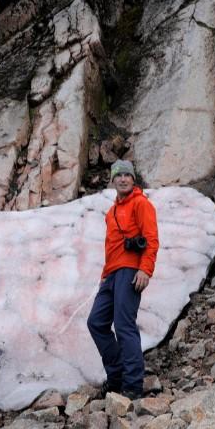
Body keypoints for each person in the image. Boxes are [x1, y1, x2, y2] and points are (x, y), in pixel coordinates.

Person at [87, 159, 159, 400]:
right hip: (111, 274)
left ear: (133, 179)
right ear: (113, 180)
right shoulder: (111, 212)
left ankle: (132, 385)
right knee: (96, 322)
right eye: (119, 175)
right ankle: (116, 375)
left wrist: (145, 270)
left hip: (130, 271)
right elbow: (111, 247)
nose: (123, 179)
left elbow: (151, 239)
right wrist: (104, 276)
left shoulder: (141, 204)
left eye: (127, 175)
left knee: (124, 326)